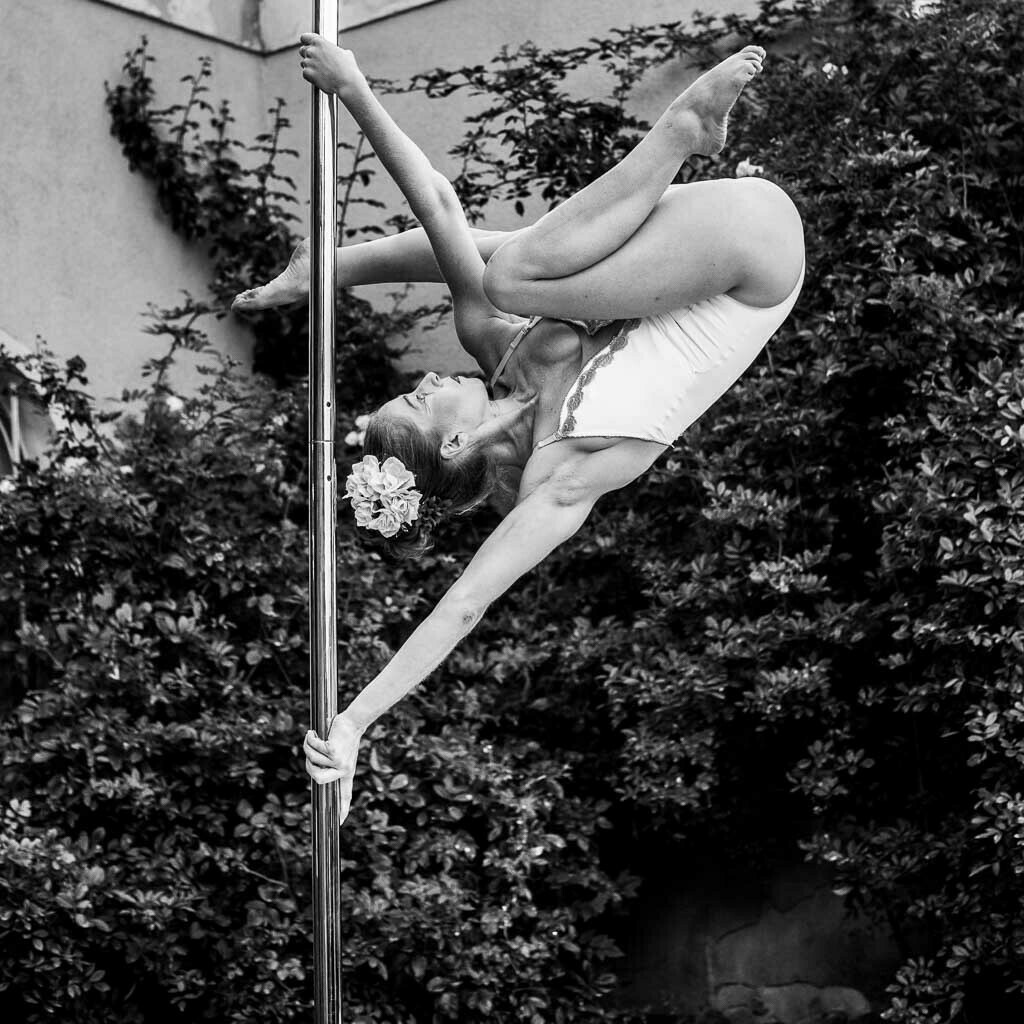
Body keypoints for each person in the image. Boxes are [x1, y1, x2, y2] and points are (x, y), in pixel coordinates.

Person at [233, 33, 805, 822]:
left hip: (701, 231)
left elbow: (436, 205)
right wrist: (356, 722)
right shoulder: (562, 479)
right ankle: (681, 136)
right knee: (514, 270)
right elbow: (463, 604)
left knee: (504, 265)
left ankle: (326, 266)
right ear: (456, 445)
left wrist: (354, 89)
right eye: (424, 397)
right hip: (756, 263)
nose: (431, 375)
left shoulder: (496, 347)